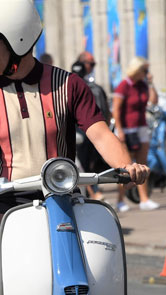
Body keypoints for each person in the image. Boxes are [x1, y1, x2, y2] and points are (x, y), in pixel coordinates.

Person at [0, 0, 150, 295]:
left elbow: (100, 134)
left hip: (59, 195)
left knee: (97, 244)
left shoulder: (67, 85)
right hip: (1, 196)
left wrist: (128, 166)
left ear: (17, 39)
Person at [112, 56, 159, 212]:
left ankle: (144, 199)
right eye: (144, 70)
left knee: (142, 165)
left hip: (141, 127)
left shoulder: (142, 85)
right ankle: (120, 200)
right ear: (137, 70)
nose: (146, 73)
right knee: (126, 166)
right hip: (127, 129)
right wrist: (119, 130)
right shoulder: (124, 86)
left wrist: (151, 83)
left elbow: (153, 101)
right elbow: (116, 110)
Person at [71, 51, 112, 200]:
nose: (92, 67)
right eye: (91, 64)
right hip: (79, 134)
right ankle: (94, 193)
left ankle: (92, 192)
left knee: (92, 164)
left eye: (94, 64)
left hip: (96, 132)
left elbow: (105, 106)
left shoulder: (94, 86)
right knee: (81, 165)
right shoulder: (72, 83)